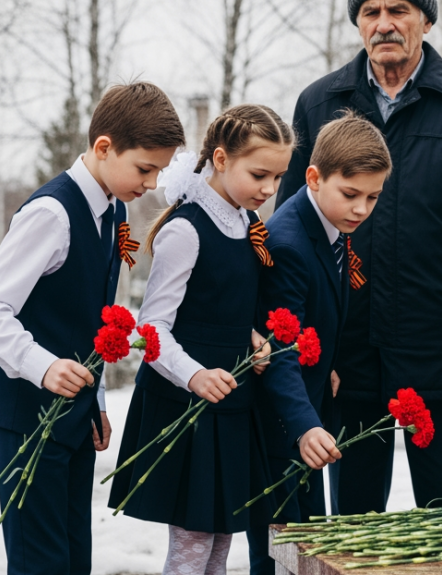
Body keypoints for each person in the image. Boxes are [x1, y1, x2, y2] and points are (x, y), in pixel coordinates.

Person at [278, 0, 442, 515]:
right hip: (348, 352)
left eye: (399, 9)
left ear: (426, 21)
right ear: (358, 22)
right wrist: (308, 343)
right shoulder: (319, 104)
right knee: (355, 525)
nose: (383, 23)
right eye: (370, 11)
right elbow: (293, 226)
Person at [109, 105, 341, 575]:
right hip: (189, 406)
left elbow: (223, 304)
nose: (270, 189)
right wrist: (194, 375)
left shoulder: (244, 223)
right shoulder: (186, 230)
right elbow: (151, 330)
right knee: (193, 543)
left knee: (220, 540)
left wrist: (252, 336)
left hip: (231, 406)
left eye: (278, 178)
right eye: (260, 174)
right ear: (220, 158)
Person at [0, 82, 185, 575]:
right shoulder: (51, 213)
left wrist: (96, 401)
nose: (151, 184)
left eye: (159, 172)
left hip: (72, 414)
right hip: (26, 413)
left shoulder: (111, 208)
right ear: (105, 147)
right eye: (145, 169)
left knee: (72, 558)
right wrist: (43, 368)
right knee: (40, 561)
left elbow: (91, 318)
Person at [247, 114, 392, 574]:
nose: (361, 209)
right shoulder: (290, 241)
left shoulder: (331, 227)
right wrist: (305, 426)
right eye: (350, 195)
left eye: (373, 197)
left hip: (306, 415)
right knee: (281, 555)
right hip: (282, 427)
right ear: (313, 177)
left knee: (306, 551)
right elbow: (280, 349)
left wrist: (324, 361)